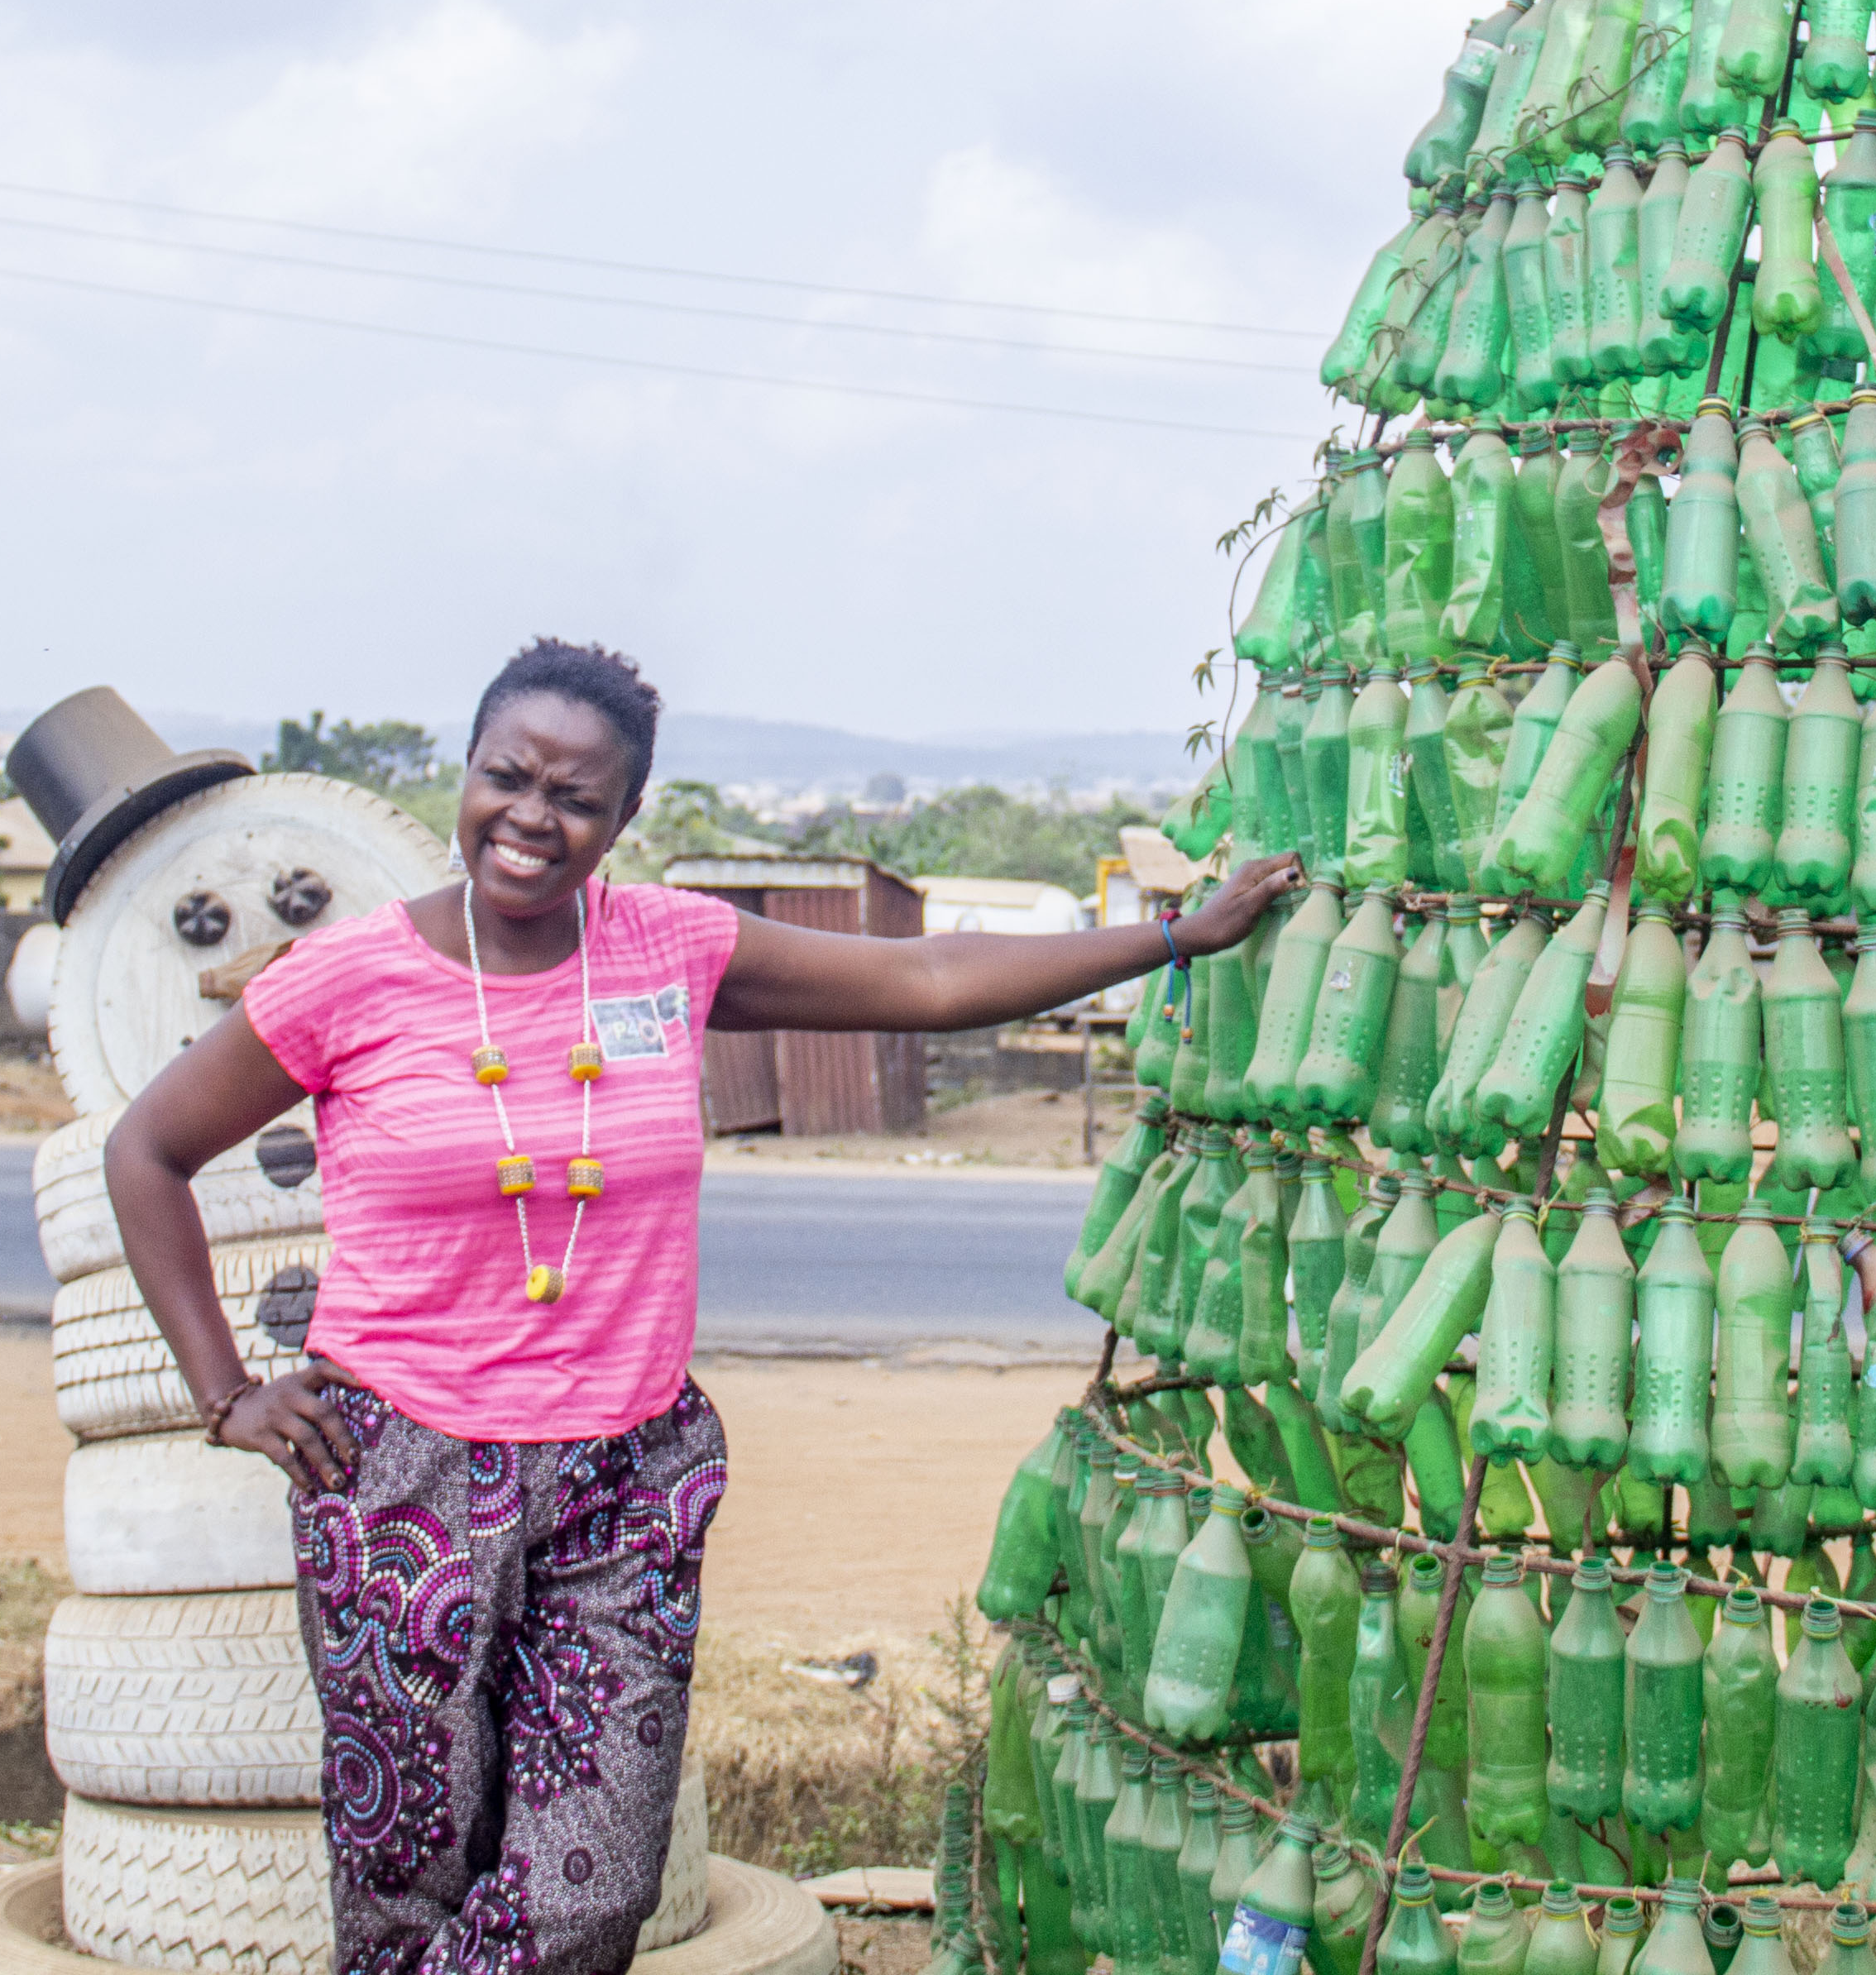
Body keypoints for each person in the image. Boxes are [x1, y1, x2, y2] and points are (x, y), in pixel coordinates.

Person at [108, 638, 1290, 1975]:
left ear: (623, 818)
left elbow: (928, 982)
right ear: (469, 770)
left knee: (590, 1891)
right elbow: (146, 1150)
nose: (533, 819)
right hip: (400, 1478)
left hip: (627, 1476)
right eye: (510, 777)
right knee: (408, 1872)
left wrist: (1174, 937)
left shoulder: (674, 947)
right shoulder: (352, 979)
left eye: (578, 797)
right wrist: (228, 1392)